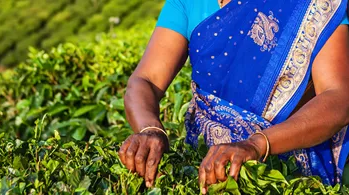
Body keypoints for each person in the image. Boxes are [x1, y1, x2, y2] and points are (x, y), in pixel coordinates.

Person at [118, 0, 349, 193]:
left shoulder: (314, 5)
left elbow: (339, 97)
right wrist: (150, 129)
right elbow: (146, 79)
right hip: (204, 166)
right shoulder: (188, 3)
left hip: (283, 171)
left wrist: (256, 145)